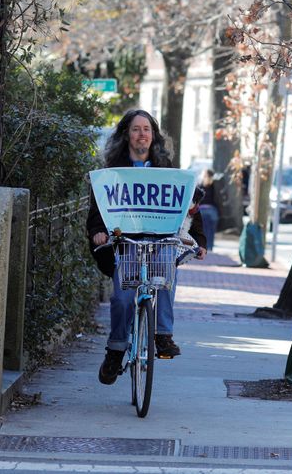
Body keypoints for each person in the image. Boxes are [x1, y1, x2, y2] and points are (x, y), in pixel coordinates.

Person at [86, 109, 207, 385]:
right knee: (122, 299)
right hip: (126, 242)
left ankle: (163, 335)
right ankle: (116, 350)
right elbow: (97, 211)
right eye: (136, 129)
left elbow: (188, 208)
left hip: (160, 240)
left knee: (166, 277)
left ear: (154, 136)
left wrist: (200, 242)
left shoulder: (167, 172)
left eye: (147, 129)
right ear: (126, 136)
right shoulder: (112, 174)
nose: (142, 134)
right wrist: (97, 233)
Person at [199, 169, 220, 251]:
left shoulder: (199, 186)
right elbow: (218, 199)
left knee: (202, 230)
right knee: (211, 231)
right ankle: (210, 248)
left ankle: (203, 248)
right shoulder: (215, 186)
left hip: (201, 210)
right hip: (212, 210)